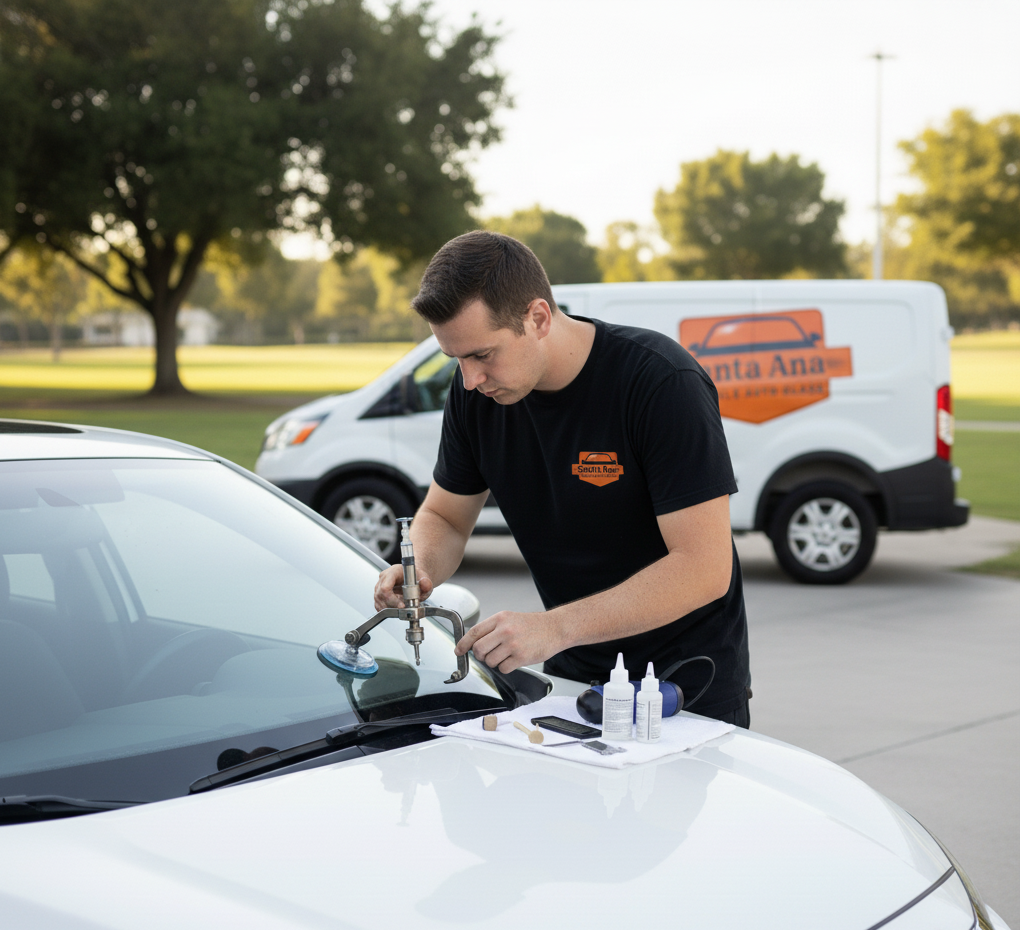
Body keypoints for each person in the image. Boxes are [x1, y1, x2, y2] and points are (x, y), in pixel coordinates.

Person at [374, 231, 751, 726]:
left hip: (683, 689)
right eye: (457, 359)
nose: (469, 379)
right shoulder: (475, 397)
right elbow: (446, 516)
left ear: (538, 318)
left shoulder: (660, 382)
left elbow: (703, 567)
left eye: (482, 355)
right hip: (572, 681)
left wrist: (554, 628)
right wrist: (418, 570)